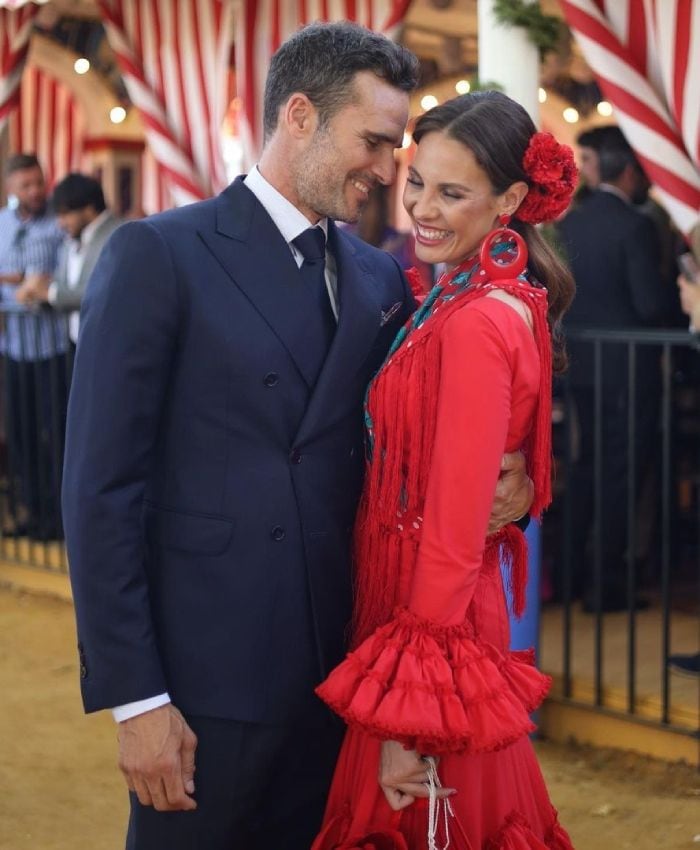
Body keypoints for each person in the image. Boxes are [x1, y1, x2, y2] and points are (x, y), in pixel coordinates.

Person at [62, 23, 532, 850]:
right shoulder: (160, 254)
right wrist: (137, 702)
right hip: (207, 688)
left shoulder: (384, 277)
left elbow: (419, 444)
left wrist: (516, 485)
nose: (390, 170)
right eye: (377, 142)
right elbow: (99, 491)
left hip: (343, 684)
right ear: (303, 116)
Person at [312, 90, 577, 850]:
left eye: (452, 192)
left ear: (513, 201)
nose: (422, 207)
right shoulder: (474, 296)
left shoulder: (479, 319)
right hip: (431, 616)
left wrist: (410, 720)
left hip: (434, 627)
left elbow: (459, 522)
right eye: (417, 181)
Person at [557, 132, 667, 611]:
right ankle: (606, 589)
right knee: (621, 473)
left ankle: (568, 579)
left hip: (584, 367)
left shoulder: (571, 223)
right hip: (627, 371)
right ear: (631, 172)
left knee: (587, 468)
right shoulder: (634, 226)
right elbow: (648, 304)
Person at [0, 154, 67, 540]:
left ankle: (57, 518)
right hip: (15, 348)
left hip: (52, 348)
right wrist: (21, 279)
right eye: (26, 185)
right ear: (11, 188)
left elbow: (66, 277)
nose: (36, 191)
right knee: (21, 433)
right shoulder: (4, 225)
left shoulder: (59, 223)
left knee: (54, 433)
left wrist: (38, 286)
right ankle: (29, 512)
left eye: (39, 182)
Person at [17, 172, 121, 345]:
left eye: (65, 214)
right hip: (76, 343)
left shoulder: (119, 234)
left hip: (109, 342)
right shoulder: (70, 239)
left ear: (88, 208)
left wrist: (48, 293)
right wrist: (36, 289)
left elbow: (103, 291)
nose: (60, 223)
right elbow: (64, 282)